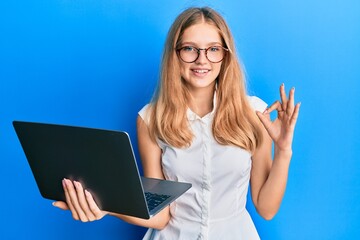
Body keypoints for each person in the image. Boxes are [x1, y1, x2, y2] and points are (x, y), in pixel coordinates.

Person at [53, 6, 300, 240]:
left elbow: (266, 208)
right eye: (190, 49)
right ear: (175, 54)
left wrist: (283, 150)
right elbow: (160, 216)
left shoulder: (254, 112)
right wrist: (105, 206)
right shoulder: (151, 119)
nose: (202, 60)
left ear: (226, 56)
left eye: (213, 49)